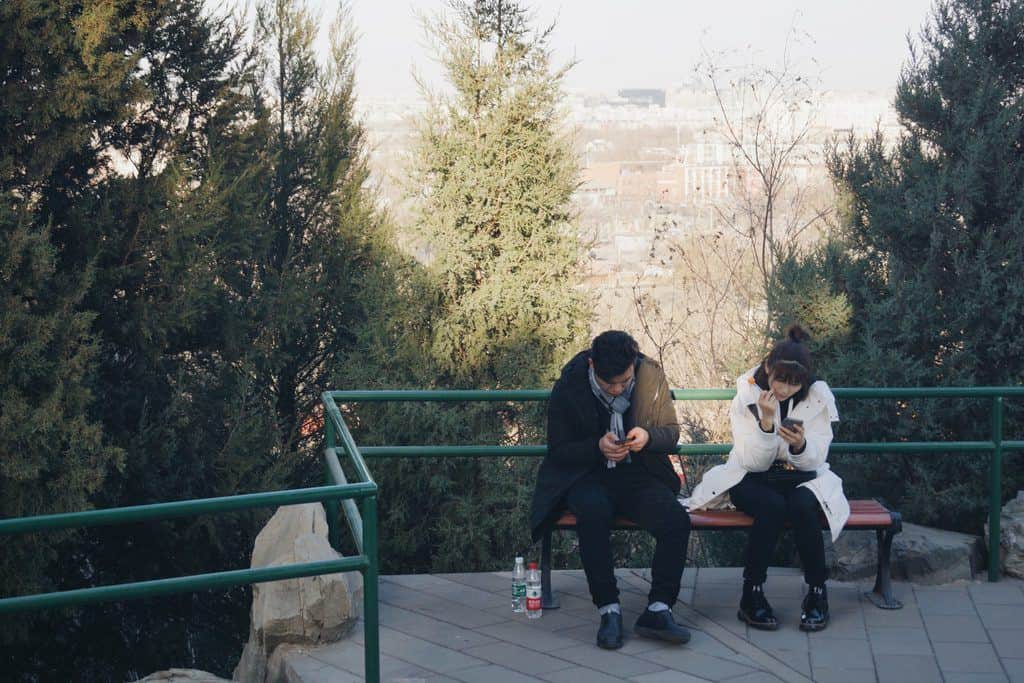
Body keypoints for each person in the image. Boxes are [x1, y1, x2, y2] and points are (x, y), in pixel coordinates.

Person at [530, 330, 691, 650]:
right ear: (592, 366)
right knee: (592, 513)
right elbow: (558, 449)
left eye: (624, 381)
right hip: (586, 475)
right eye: (609, 385)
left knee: (676, 520)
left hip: (639, 472)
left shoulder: (649, 375)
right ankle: (609, 609)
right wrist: (597, 447)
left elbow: (671, 433)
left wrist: (646, 437)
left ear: (633, 365)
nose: (618, 389)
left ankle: (659, 608)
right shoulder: (571, 384)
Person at [682, 324, 848, 632]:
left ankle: (816, 593)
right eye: (780, 380)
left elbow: (818, 456)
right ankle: (752, 594)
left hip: (802, 477)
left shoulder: (818, 396)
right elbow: (752, 462)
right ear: (768, 368)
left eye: (794, 384)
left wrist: (799, 445)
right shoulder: (746, 394)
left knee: (802, 507)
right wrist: (768, 425)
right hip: (751, 477)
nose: (785, 389)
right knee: (771, 507)